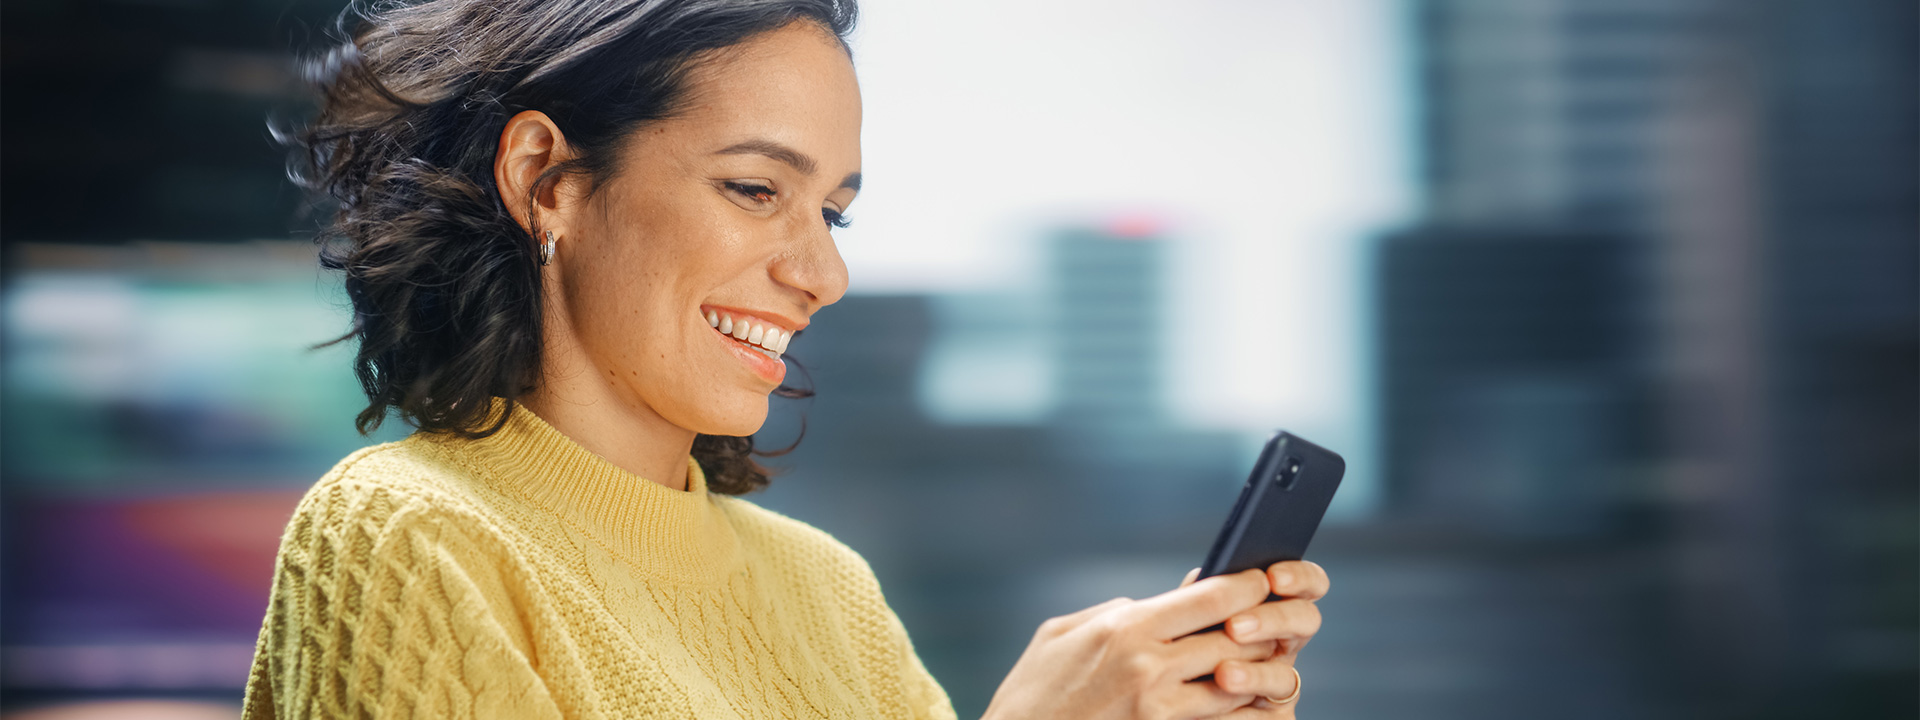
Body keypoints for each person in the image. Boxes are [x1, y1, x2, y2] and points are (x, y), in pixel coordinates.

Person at [241, 0, 1331, 718]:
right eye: (755, 190)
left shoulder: (829, 592)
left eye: (834, 215)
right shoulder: (408, 537)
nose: (822, 274)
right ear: (547, 180)